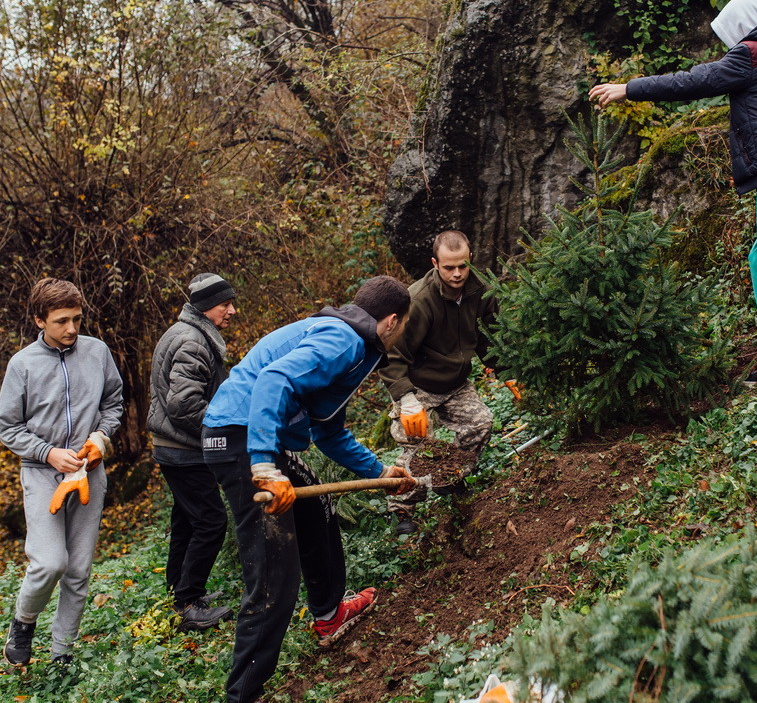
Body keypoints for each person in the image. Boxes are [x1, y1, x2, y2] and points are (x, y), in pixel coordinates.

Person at [589, 0, 757, 384]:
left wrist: (630, 88)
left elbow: (694, 81)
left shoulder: (753, 52)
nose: (729, 45)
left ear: (741, 25)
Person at [200, 276, 418, 703]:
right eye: (404, 324)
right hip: (240, 439)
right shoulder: (343, 341)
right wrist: (263, 464)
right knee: (273, 573)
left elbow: (328, 431)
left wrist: (380, 471)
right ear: (391, 321)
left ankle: (329, 615)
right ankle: (243, 695)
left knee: (318, 514)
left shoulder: (353, 344)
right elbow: (273, 380)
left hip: (256, 438)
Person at [0, 278, 124, 666]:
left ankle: (62, 653)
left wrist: (102, 437)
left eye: (77, 319)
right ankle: (23, 623)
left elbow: (114, 402)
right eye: (61, 321)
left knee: (79, 568)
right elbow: (7, 427)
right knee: (51, 561)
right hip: (41, 473)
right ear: (39, 320)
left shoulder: (97, 352)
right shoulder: (22, 365)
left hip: (89, 472)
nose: (71, 329)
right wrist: (48, 453)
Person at [379, 230, 507, 535]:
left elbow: (490, 340)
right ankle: (402, 511)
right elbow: (391, 355)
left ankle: (451, 477)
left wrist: (506, 369)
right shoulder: (419, 300)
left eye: (462, 265)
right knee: (416, 445)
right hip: (417, 386)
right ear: (435, 263)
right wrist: (406, 400)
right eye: (449, 267)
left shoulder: (482, 292)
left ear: (470, 259)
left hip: (457, 382)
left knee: (481, 424)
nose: (458, 273)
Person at [148, 273, 238, 630]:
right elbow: (184, 406)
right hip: (184, 451)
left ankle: (179, 594)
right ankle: (188, 603)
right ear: (204, 307)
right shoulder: (193, 342)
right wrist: (222, 433)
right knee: (211, 522)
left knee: (186, 521)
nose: (232, 310)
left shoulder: (185, 332)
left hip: (173, 449)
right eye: (225, 304)